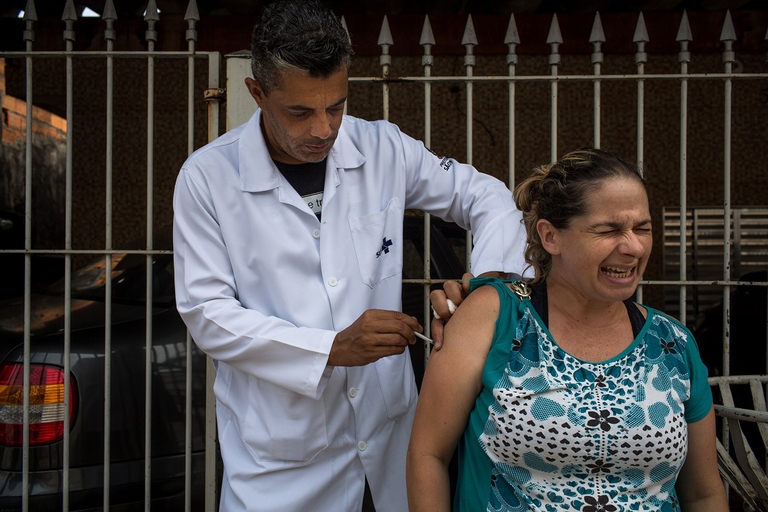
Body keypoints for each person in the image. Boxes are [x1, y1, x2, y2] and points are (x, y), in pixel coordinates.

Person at [172, 0, 527, 510]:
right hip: (280, 462)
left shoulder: (383, 147)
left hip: (390, 439)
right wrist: (329, 347)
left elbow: (486, 197)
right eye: (300, 111)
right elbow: (208, 314)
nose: (323, 129)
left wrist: (486, 291)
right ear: (257, 93)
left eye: (335, 106)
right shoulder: (207, 178)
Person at [406, 148, 729, 512]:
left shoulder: (672, 343)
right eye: (608, 230)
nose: (634, 247)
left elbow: (703, 494)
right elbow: (428, 454)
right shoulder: (496, 317)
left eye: (643, 228)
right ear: (550, 237)